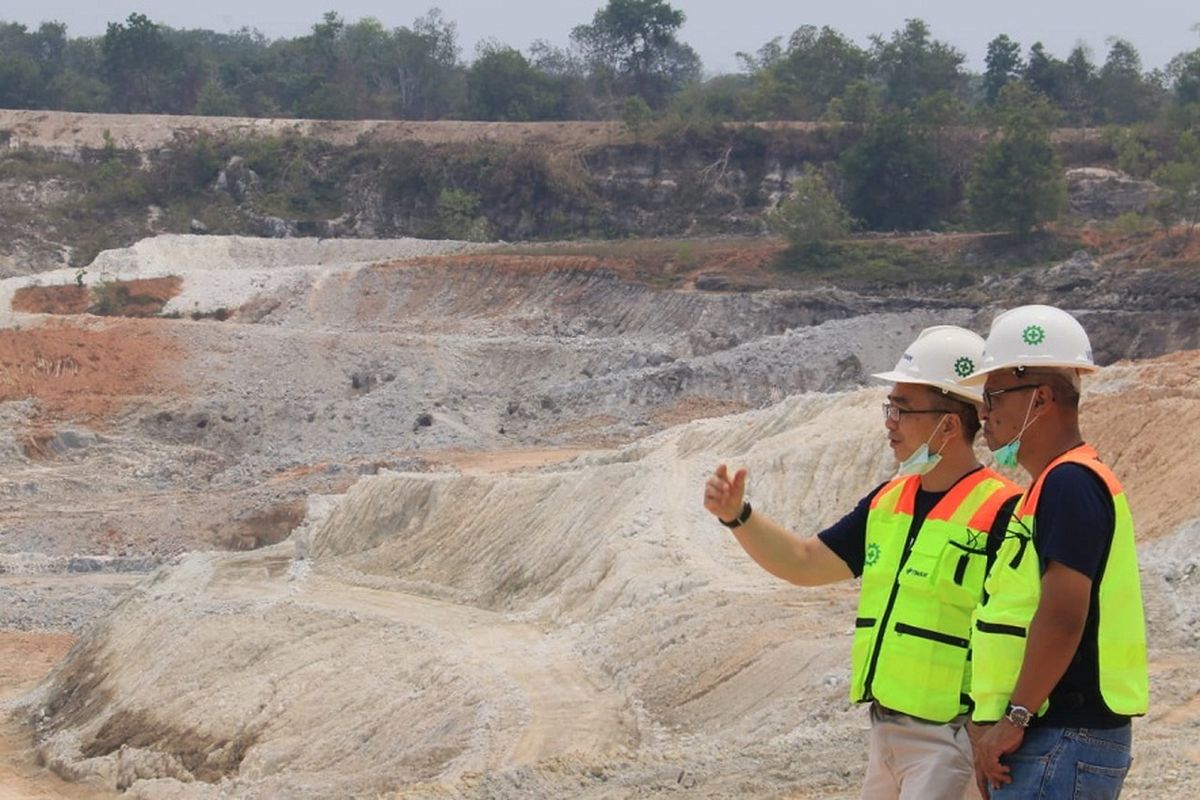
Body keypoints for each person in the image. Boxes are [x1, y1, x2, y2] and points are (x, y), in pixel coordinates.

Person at [703, 326, 1021, 799]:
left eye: (902, 409)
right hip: (887, 732)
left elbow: (1020, 630)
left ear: (949, 425)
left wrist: (992, 725)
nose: (889, 422)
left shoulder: (1003, 511)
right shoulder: (889, 501)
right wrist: (739, 517)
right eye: (888, 408)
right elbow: (806, 562)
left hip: (952, 739)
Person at [961, 305, 1148, 799]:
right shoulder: (1050, 487)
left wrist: (1015, 717)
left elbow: (1063, 614)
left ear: (1041, 398)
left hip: (1059, 732)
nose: (983, 413)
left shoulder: (1069, 483)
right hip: (1051, 735)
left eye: (993, 396)